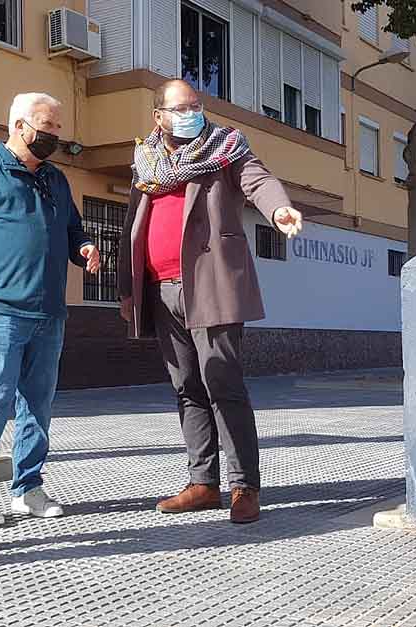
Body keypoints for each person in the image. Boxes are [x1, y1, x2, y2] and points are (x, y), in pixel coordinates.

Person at [118, 80, 304, 524]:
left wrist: (278, 209)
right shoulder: (146, 161)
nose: (191, 114)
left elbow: (258, 180)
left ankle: (244, 487)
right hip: (160, 290)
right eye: (180, 108)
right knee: (187, 387)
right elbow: (131, 227)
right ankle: (203, 484)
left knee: (223, 383)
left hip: (211, 285)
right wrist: (128, 289)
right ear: (158, 116)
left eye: (196, 106)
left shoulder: (225, 148)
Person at [0, 93, 101, 528]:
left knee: (38, 403)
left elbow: (72, 229)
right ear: (19, 125)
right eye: (46, 127)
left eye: (57, 128)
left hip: (50, 311)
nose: (55, 135)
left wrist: (84, 247)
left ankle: (27, 488)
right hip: (1, 310)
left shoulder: (56, 179)